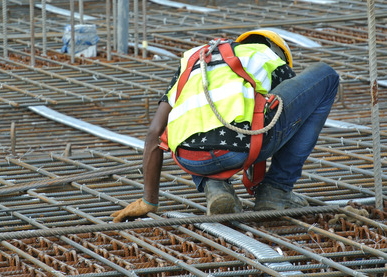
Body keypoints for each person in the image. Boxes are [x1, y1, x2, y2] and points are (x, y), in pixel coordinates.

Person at [111, 29, 339, 223]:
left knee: (200, 126)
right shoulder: (267, 56)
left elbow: (154, 133)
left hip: (189, 159)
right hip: (241, 147)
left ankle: (216, 188)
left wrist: (149, 200)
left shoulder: (193, 60)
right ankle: (276, 190)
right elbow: (291, 113)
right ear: (276, 50)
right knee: (326, 78)